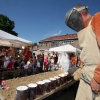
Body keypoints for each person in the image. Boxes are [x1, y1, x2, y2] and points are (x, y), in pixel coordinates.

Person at [65, 4, 100, 100]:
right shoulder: (86, 30)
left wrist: (98, 78)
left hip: (96, 85)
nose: (74, 25)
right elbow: (90, 59)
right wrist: (81, 70)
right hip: (87, 81)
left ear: (80, 14)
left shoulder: (97, 18)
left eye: (73, 22)